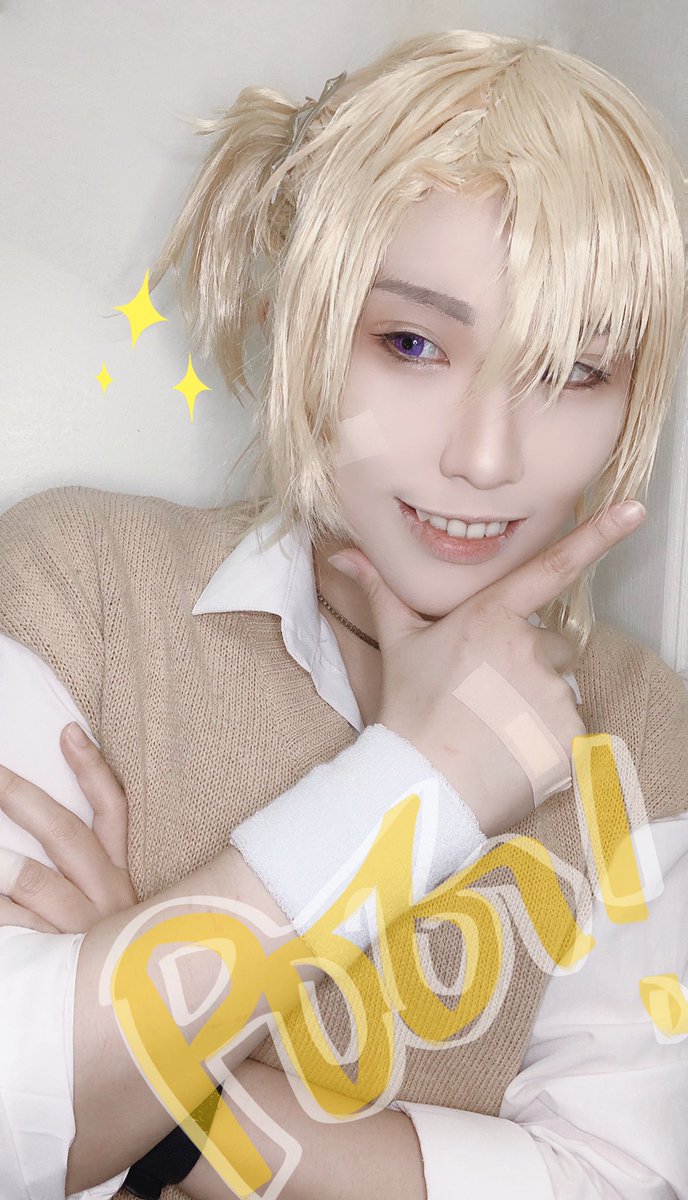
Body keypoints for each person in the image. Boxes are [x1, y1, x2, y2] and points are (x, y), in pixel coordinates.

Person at [0, 26, 686, 1200]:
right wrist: (418, 783)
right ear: (299, 325)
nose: (484, 458)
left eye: (571, 370)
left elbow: (617, 1183)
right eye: (412, 344)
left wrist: (157, 1072)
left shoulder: (646, 736)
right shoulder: (85, 587)